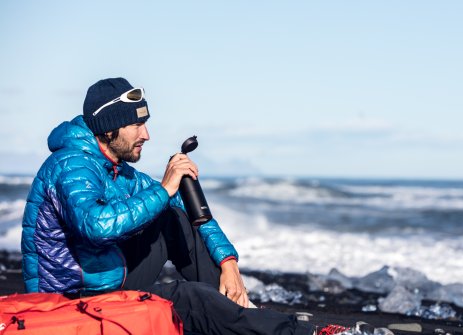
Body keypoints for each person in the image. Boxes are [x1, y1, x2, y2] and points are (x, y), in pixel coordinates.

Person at [21, 77, 324, 335]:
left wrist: (228, 263)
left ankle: (244, 311)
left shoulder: (117, 169)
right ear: (109, 127)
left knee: (173, 218)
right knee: (190, 300)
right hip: (73, 302)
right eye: (136, 124)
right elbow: (96, 226)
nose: (146, 135)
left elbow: (188, 212)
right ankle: (297, 332)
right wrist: (165, 188)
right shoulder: (71, 164)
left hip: (108, 280)